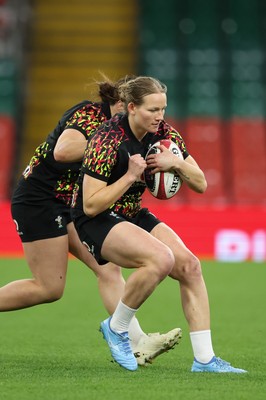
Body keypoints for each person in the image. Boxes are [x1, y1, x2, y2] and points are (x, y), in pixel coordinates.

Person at [1, 75, 182, 366]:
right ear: (122, 103)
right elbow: (62, 151)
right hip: (40, 199)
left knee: (107, 267)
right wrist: (108, 146)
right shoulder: (88, 115)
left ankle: (136, 342)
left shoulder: (124, 131)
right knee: (49, 288)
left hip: (71, 202)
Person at [71, 76, 247, 373]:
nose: (160, 116)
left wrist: (175, 163)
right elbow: (90, 204)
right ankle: (117, 328)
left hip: (129, 211)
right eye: (153, 110)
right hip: (94, 218)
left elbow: (201, 183)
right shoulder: (107, 138)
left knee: (190, 266)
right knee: (160, 259)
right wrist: (129, 176)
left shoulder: (164, 135)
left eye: (163, 109)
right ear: (131, 108)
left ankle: (205, 360)